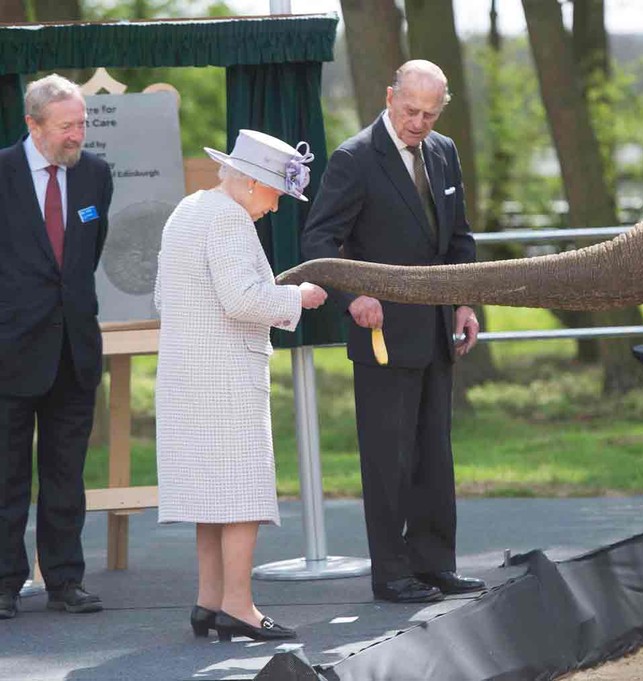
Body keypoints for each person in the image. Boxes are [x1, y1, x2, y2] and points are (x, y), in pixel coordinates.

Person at [301, 60, 485, 604]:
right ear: (389, 97)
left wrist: (464, 303)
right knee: (389, 458)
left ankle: (435, 564)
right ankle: (393, 573)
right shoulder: (355, 158)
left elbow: (459, 240)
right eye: (410, 111)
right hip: (380, 334)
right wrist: (353, 294)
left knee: (435, 452)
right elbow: (318, 241)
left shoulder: (444, 152)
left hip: (435, 330)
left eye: (430, 113)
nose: (418, 123)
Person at [154, 129, 327, 641]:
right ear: (252, 183)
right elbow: (242, 300)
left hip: (187, 373)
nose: (276, 208)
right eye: (276, 193)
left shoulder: (189, 209)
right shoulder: (230, 218)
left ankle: (209, 601)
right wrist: (299, 297)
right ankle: (238, 604)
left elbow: (165, 296)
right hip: (226, 375)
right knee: (242, 494)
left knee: (212, 494)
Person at [0, 74, 113, 619]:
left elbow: (85, 258)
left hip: (74, 349)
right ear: (33, 125)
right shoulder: (1, 173)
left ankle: (65, 580)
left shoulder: (94, 175)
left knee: (67, 473)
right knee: (6, 474)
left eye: (82, 123)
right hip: (9, 351)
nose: (77, 134)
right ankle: (3, 582)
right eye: (67, 125)